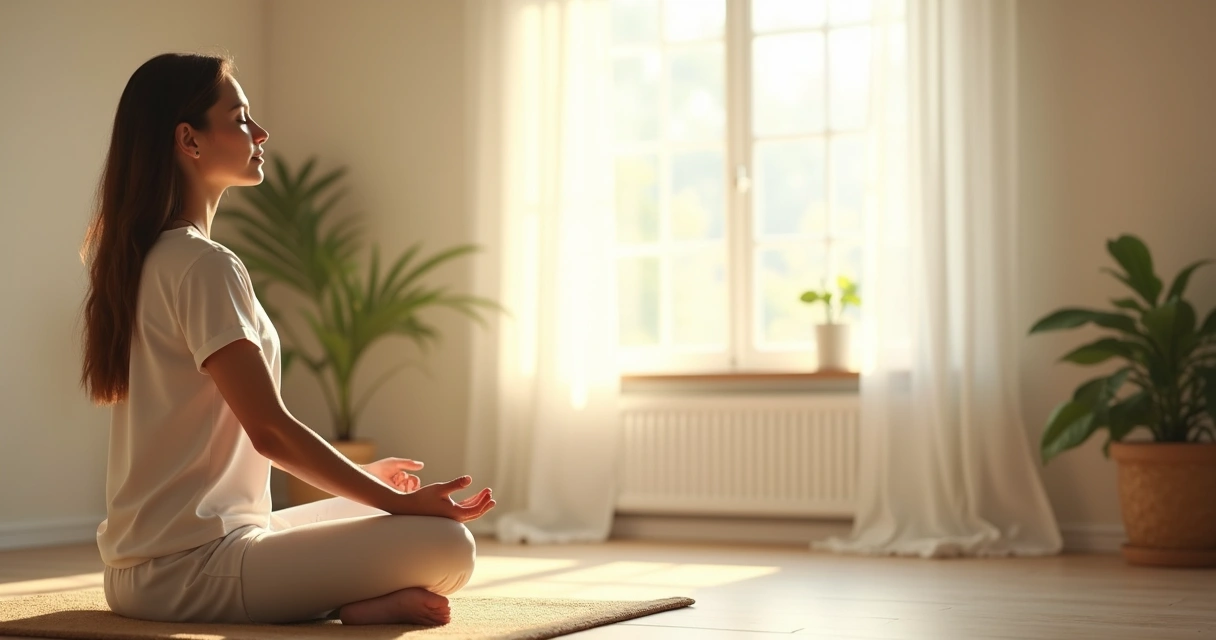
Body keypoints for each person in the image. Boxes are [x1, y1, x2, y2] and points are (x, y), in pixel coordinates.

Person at [77, 52, 495, 626]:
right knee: (448, 546)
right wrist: (395, 502)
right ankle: (342, 604)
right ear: (189, 140)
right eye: (240, 118)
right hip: (188, 570)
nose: (261, 132)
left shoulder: (151, 258)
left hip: (148, 570)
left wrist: (367, 488)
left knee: (376, 512)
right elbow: (270, 431)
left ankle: (340, 598)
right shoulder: (203, 265)